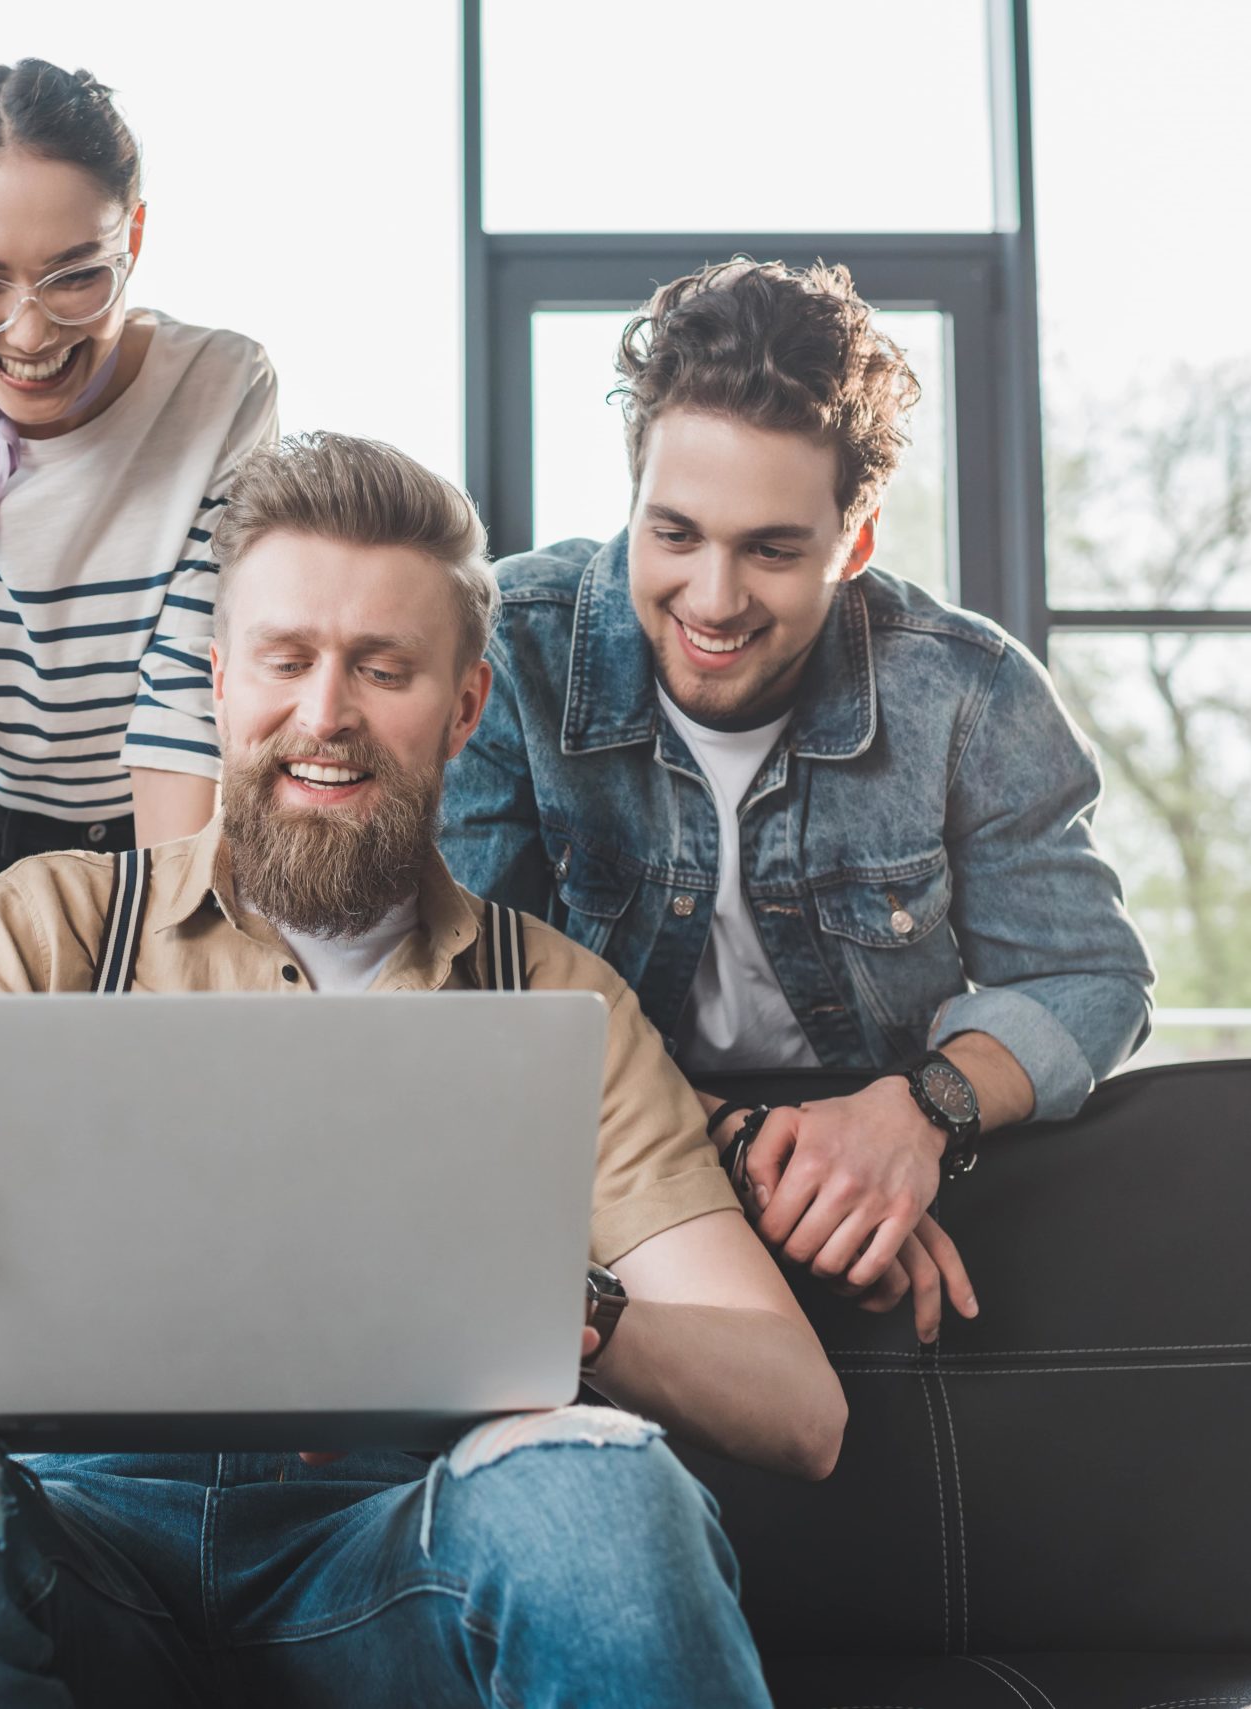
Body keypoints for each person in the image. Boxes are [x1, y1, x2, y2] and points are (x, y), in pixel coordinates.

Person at [0, 434, 843, 1708]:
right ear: (219, 681)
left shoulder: (557, 999)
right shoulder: (51, 923)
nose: (324, 714)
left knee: (602, 1490)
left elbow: (797, 1409)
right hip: (74, 1544)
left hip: (399, 1557)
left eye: (382, 669)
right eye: (285, 660)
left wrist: (565, 1303)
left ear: (466, 704)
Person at [441, 259, 1155, 1339]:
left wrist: (919, 1114)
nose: (712, 599)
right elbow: (474, 1001)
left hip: (882, 1177)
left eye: (771, 550)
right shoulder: (509, 653)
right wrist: (750, 1152)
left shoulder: (971, 693)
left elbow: (1087, 978)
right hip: (596, 1167)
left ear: (853, 542)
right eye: (672, 534)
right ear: (631, 500)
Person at [0, 60, 278, 989]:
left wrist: (170, 955)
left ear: (136, 236)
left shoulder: (221, 390)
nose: (30, 335)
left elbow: (181, 698)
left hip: (172, 825)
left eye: (76, 277)